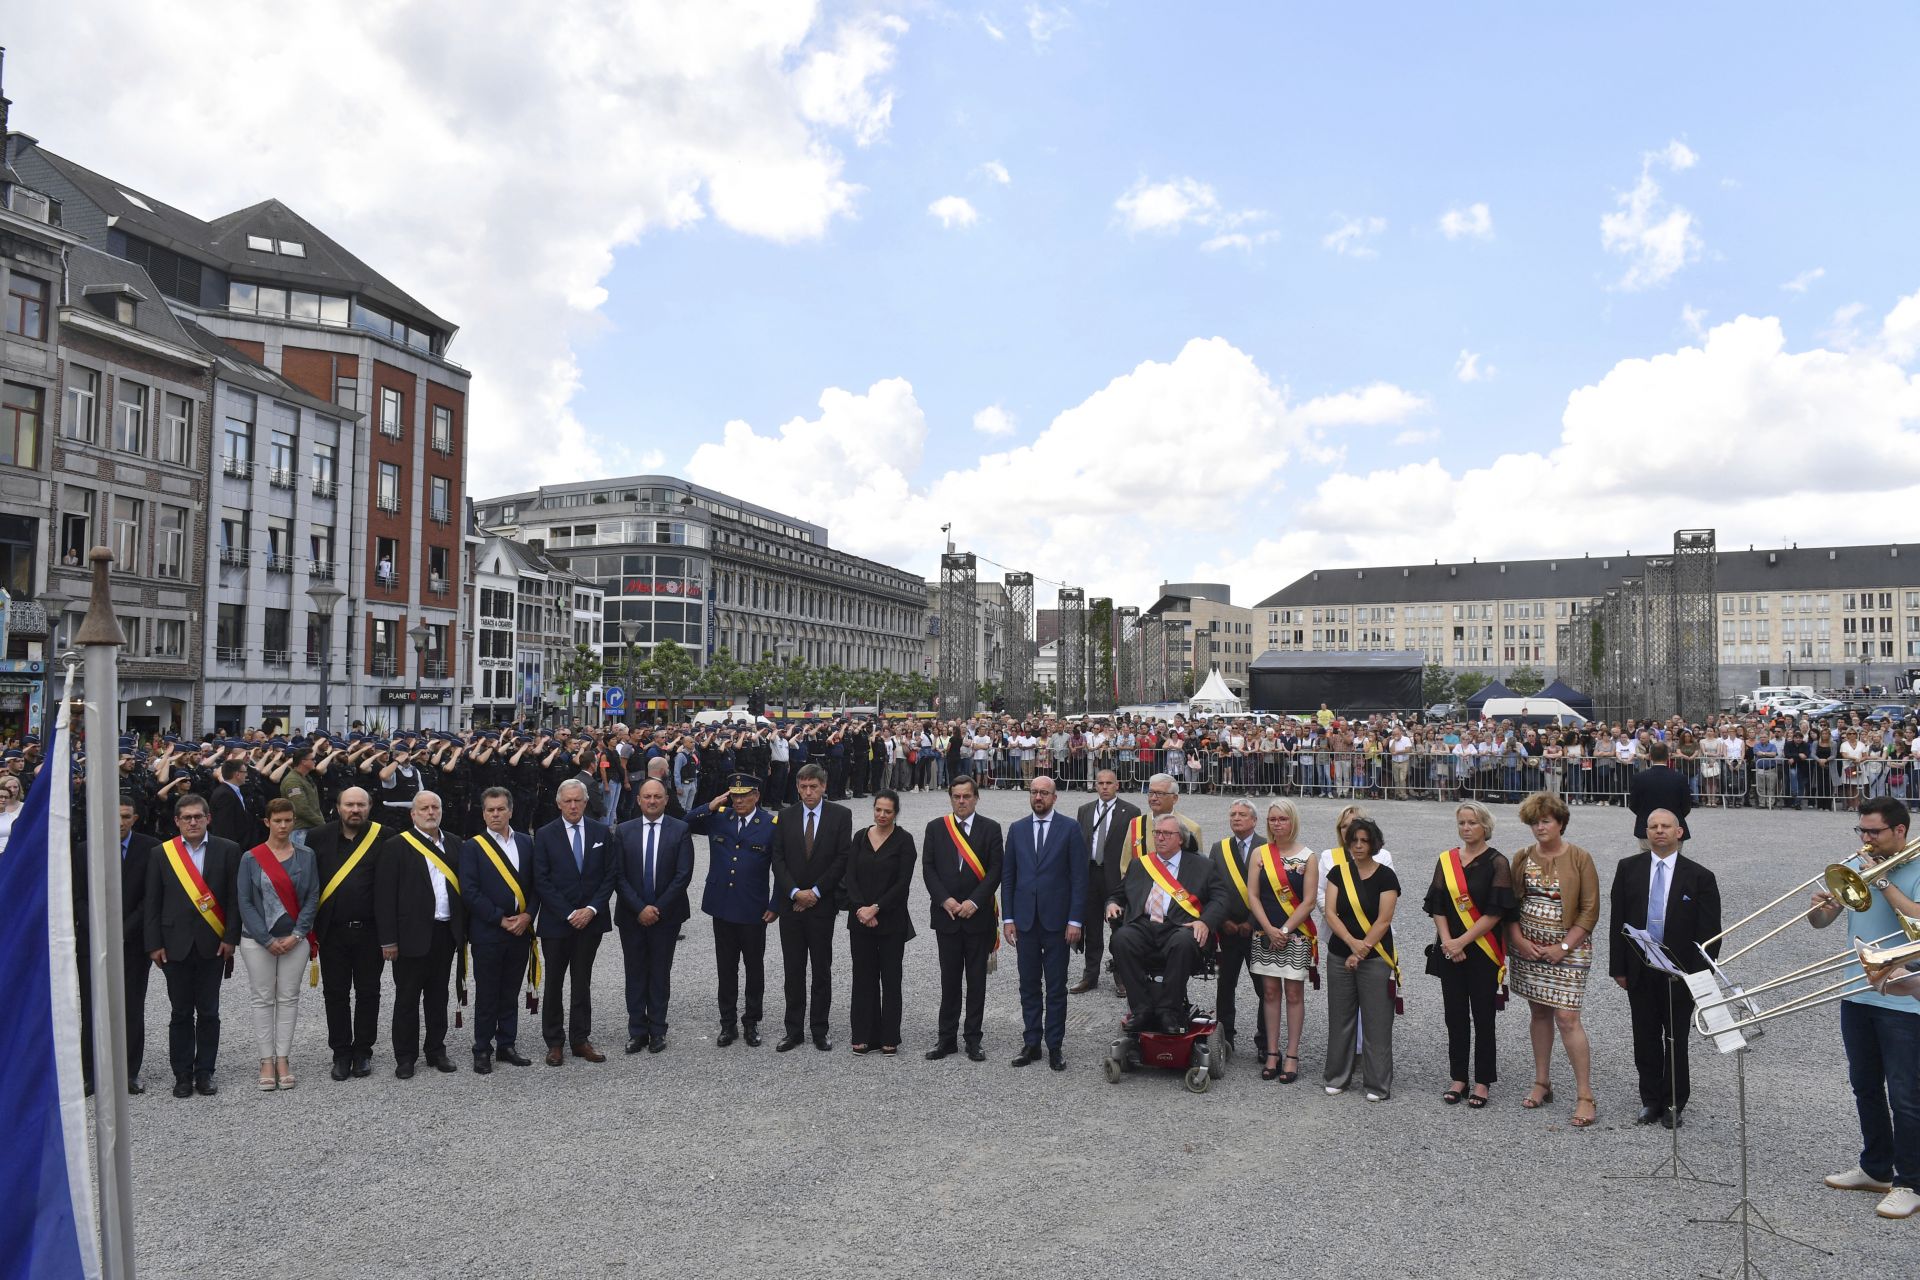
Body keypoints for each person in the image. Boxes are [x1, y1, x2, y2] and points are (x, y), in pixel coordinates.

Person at [1808, 796, 1920, 1219]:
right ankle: (1876, 1167)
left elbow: (1919, 917)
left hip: (1906, 997)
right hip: (1857, 991)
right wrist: (1822, 909)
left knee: (1907, 1096)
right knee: (1865, 1086)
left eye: (1874, 832)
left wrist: (1882, 880)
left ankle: (1911, 1181)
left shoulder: (1915, 867)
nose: (1866, 839)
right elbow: (1821, 925)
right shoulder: (1855, 865)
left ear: (1899, 832)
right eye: (1862, 831)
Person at [1609, 808, 1722, 1129]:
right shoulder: (1628, 869)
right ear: (1646, 832)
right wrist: (1618, 966)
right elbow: (1618, 921)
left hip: (1680, 972)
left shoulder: (1700, 877)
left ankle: (1674, 1101)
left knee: (1676, 1037)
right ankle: (1650, 1100)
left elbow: (1710, 933)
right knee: (1644, 1036)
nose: (1659, 831)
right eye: (1653, 827)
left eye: (1665, 826)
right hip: (1641, 968)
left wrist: (1699, 976)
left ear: (1679, 832)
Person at [1508, 792, 1601, 1127]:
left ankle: (1585, 1094)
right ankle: (1542, 1081)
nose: (1539, 827)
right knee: (1539, 1012)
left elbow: (1590, 910)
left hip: (1570, 949)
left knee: (1567, 1018)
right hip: (1529, 950)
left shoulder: (1580, 857)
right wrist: (1518, 941)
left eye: (1546, 821)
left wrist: (1563, 947)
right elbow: (1510, 905)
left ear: (1560, 822)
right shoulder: (1521, 857)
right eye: (1534, 822)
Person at [144, 792, 240, 1098]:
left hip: (213, 944)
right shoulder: (162, 854)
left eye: (199, 816)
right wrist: (154, 943)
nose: (193, 822)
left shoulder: (228, 850)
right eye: (187, 817)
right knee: (180, 1012)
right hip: (174, 945)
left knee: (209, 1012)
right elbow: (152, 903)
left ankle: (205, 1072)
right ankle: (182, 1074)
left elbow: (235, 901)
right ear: (177, 821)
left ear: (208, 818)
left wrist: (230, 938)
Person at [1423, 802, 1515, 1108]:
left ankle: (1482, 1080)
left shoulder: (1498, 862)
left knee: (1484, 1017)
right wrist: (1449, 942)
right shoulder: (1446, 860)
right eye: (1462, 823)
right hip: (1450, 950)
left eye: (1472, 823)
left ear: (1485, 826)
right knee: (1455, 1015)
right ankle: (1458, 1076)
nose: (1466, 828)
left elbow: (1495, 911)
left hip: (1483, 951)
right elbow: (1436, 905)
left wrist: (1463, 941)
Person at [1108, 813, 1231, 1036]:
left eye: (1167, 833)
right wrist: (1112, 904)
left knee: (1183, 941)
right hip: (1144, 925)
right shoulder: (1141, 864)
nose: (1160, 838)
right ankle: (1142, 1009)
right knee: (1121, 939)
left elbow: (1221, 899)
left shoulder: (1203, 866)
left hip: (1180, 926)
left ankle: (1168, 1010)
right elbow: (1117, 894)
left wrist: (1204, 922)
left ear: (1181, 839)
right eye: (1157, 833)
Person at [376, 791, 467, 1079]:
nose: (430, 812)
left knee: (438, 996)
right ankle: (405, 1056)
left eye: (435, 807)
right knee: (407, 998)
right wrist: (388, 940)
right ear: (413, 814)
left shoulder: (455, 843)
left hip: (445, 932)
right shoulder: (396, 846)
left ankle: (436, 1050)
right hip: (409, 935)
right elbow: (384, 897)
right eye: (424, 808)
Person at [1002, 775, 1088, 1071]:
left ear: (1054, 797)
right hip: (1025, 921)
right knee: (1028, 985)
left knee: (1055, 987)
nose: (1038, 797)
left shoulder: (1070, 829)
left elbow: (1079, 878)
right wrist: (1008, 918)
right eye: (1034, 792)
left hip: (1057, 922)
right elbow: (1009, 877)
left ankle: (1055, 1045)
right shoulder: (1017, 829)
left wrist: (1076, 919)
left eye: (1044, 793)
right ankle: (1031, 1042)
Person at [690, 774, 779, 1047]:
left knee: (754, 969)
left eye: (744, 795)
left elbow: (783, 866)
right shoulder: (719, 817)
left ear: (756, 796)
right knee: (726, 969)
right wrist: (710, 805)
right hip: (723, 906)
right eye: (734, 795)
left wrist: (776, 904)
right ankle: (727, 1024)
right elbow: (682, 824)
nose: (738, 800)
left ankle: (751, 1021)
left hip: (753, 909)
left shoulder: (771, 824)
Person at [235, 798, 318, 1090]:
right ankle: (265, 1060)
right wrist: (267, 939)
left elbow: (311, 897)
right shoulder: (251, 857)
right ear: (267, 822)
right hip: (258, 941)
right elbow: (244, 901)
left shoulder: (306, 855)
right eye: (278, 820)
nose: (283, 826)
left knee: (288, 997)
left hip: (295, 938)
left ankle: (283, 1057)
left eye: (288, 820)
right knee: (262, 999)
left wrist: (297, 934)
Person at [532, 778, 615, 1065]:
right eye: (567, 801)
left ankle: (580, 1039)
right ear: (558, 804)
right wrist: (569, 913)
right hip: (557, 922)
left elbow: (609, 875)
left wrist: (591, 909)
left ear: (585, 802)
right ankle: (554, 1041)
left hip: (590, 921)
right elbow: (541, 879)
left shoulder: (601, 831)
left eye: (578, 800)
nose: (573, 806)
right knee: (554, 982)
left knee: (582, 981)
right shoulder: (544, 835)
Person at [922, 775, 1003, 1061]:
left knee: (977, 981)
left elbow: (995, 871)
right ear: (950, 798)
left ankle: (973, 1039)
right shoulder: (935, 828)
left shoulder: (991, 829)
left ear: (976, 797)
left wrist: (973, 902)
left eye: (966, 796)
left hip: (977, 917)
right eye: (956, 796)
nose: (961, 801)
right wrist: (945, 900)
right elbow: (928, 869)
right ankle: (946, 1039)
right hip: (947, 917)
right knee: (949, 980)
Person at [309, 786, 387, 1081]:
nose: (355, 810)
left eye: (361, 805)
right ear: (338, 807)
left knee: (369, 993)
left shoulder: (385, 836)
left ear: (369, 807)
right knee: (335, 994)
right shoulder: (317, 837)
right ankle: (341, 1052)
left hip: (370, 932)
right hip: (333, 932)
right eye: (349, 804)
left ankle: (363, 1051)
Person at [1320, 817, 1400, 1101]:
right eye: (1354, 840)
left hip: (1376, 958)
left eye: (1364, 841)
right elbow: (1330, 913)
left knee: (1377, 1022)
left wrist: (1362, 950)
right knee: (1340, 1019)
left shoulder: (1386, 876)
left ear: (1374, 843)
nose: (1358, 846)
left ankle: (1377, 1084)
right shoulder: (1338, 873)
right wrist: (1352, 946)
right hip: (1340, 955)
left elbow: (1384, 919)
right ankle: (1336, 1077)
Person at [457, 786, 537, 1074]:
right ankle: (482, 1048)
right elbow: (470, 892)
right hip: (489, 932)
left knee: (510, 991)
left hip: (521, 930)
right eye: (490, 810)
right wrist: (500, 919)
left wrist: (528, 915)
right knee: (488, 993)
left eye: (500, 809)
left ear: (511, 811)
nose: (495, 814)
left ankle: (507, 1044)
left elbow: (536, 884)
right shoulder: (473, 847)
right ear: (483, 813)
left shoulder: (527, 843)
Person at [772, 762, 851, 1052]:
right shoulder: (785, 816)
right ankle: (793, 1030)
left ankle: (819, 1028)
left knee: (821, 969)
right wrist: (795, 892)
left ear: (824, 786)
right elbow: (777, 859)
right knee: (793, 970)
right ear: (797, 787)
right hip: (792, 906)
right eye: (803, 787)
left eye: (813, 787)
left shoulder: (841, 815)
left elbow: (842, 858)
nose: (808, 792)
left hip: (821, 904)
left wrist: (815, 892)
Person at [614, 779, 695, 1054]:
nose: (651, 801)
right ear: (638, 800)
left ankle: (658, 1030)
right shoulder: (624, 831)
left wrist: (656, 908)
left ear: (665, 799)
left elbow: (683, 874)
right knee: (635, 973)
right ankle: (637, 1031)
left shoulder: (680, 829)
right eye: (646, 796)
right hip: (631, 916)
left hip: (666, 916)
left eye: (657, 797)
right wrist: (640, 908)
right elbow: (619, 875)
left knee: (660, 973)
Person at [842, 790, 918, 1054]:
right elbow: (850, 876)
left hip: (891, 920)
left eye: (888, 811)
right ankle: (863, 1033)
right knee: (862, 977)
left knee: (890, 977)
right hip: (860, 920)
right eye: (878, 810)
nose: (882, 815)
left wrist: (876, 908)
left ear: (896, 812)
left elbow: (902, 883)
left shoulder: (905, 841)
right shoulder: (860, 837)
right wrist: (861, 909)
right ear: (873, 809)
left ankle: (889, 1036)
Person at [1248, 800, 1316, 1083]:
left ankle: (1292, 1054)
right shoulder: (1259, 854)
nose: (1277, 824)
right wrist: (1269, 928)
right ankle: (1272, 1052)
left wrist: (1285, 930)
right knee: (1271, 993)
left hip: (1296, 935)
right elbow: (1252, 895)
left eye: (1283, 819)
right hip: (1265, 934)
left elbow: (1310, 901)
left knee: (1294, 994)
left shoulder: (1309, 856)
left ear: (1293, 821)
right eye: (1273, 819)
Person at [1073, 768, 1141, 995]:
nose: (1104, 787)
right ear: (1095, 785)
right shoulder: (1084, 810)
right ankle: (1090, 976)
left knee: (1119, 928)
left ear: (1117, 785)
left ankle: (1122, 976)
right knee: (1091, 927)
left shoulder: (1131, 811)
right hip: (1090, 874)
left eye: (1108, 783)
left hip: (1116, 878)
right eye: (1100, 783)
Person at [1208, 800, 1265, 1054]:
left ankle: (1265, 1041)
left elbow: (1270, 892)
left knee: (1265, 988)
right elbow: (1210, 888)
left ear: (1254, 820)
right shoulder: (1219, 849)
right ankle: (1225, 1038)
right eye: (1232, 814)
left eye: (1243, 814)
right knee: (1225, 986)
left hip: (1259, 931)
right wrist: (1223, 922)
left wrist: (1251, 923)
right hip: (1228, 931)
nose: (1237, 818)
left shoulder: (1267, 847)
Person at [117, 798, 160, 1094]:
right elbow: (79, 895)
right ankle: (92, 1072)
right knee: (93, 1006)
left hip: (133, 940)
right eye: (115, 816)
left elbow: (151, 896)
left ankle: (130, 1070)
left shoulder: (149, 848)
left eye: (126, 816)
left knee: (132, 1005)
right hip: (93, 941)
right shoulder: (85, 846)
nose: (120, 822)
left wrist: (123, 929)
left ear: (135, 818)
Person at [1628, 742, 1692, 852]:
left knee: (1648, 864)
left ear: (1650, 756)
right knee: (1673, 865)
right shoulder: (1680, 778)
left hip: (1647, 827)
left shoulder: (1639, 778)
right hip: (1673, 828)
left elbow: (1633, 805)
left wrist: (1646, 817)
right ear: (1668, 757)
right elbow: (1686, 806)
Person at [279, 746, 325, 849]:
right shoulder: (292, 781)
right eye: (312, 759)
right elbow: (301, 808)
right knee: (301, 862)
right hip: (300, 830)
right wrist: (321, 823)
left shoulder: (306, 778)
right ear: (303, 762)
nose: (315, 761)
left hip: (310, 828)